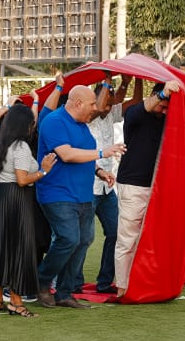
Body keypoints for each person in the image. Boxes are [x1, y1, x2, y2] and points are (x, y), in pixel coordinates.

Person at [35, 85, 125, 308]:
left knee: (83, 240)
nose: (95, 108)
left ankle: (64, 293)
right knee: (69, 238)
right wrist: (104, 152)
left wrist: (99, 171)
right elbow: (66, 154)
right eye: (92, 104)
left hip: (83, 193)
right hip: (57, 193)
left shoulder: (83, 125)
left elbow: (83, 153)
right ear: (77, 104)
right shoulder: (54, 121)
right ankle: (41, 281)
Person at [0, 104, 57, 316]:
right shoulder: (21, 147)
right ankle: (15, 301)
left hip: (0, 195)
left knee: (1, 247)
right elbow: (23, 180)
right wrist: (43, 171)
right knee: (19, 249)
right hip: (17, 198)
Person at [112, 77, 182, 295]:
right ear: (155, 96)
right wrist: (163, 95)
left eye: (167, 108)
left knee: (152, 239)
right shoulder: (135, 114)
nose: (163, 110)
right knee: (127, 240)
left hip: (158, 187)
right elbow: (148, 105)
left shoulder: (167, 119)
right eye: (161, 105)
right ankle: (123, 287)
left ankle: (143, 283)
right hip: (133, 186)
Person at [86, 80, 124, 294]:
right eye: (106, 102)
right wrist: (106, 84)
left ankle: (104, 282)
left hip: (107, 187)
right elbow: (99, 106)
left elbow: (134, 102)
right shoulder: (88, 116)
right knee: (83, 237)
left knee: (115, 233)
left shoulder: (110, 113)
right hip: (89, 186)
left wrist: (129, 81)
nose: (109, 107)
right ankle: (71, 282)